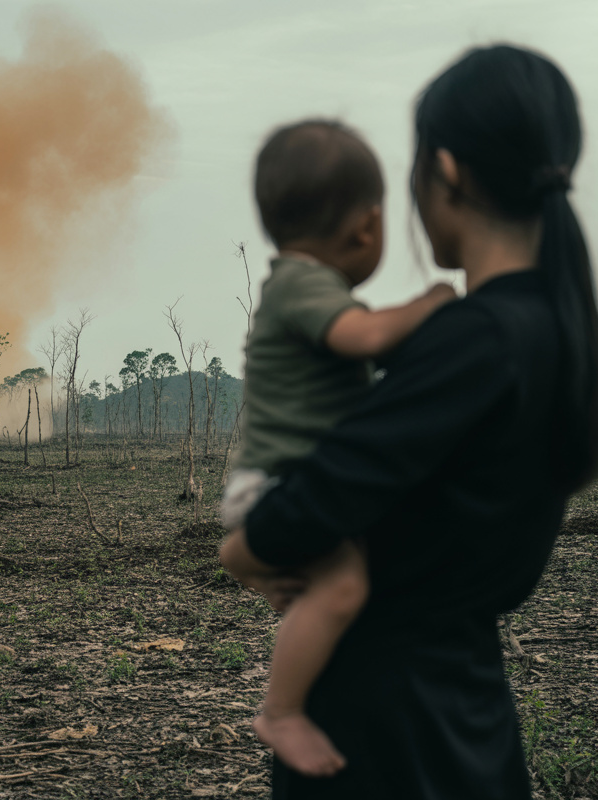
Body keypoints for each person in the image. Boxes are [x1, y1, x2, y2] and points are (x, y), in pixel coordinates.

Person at [219, 44, 598, 800]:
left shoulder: (474, 339)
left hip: (382, 728)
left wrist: (245, 549)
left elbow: (323, 495)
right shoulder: (550, 332)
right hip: (465, 707)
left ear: (448, 171)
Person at [222, 119, 456, 777]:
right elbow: (366, 337)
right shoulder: (304, 286)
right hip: (278, 485)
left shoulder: (293, 283)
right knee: (344, 586)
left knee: (324, 582)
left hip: (282, 482)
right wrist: (434, 301)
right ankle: (281, 710)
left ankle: (258, 570)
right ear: (366, 227)